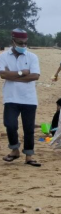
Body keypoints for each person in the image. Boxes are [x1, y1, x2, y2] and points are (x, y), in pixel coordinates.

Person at [1, 29, 42, 166]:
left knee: (29, 128)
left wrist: (13, 76)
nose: (23, 45)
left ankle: (29, 156)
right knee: (10, 124)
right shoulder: (4, 56)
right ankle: (14, 149)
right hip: (11, 97)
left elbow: (35, 76)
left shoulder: (32, 57)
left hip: (29, 98)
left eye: (25, 43)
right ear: (13, 41)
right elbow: (3, 75)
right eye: (20, 43)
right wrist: (22, 73)